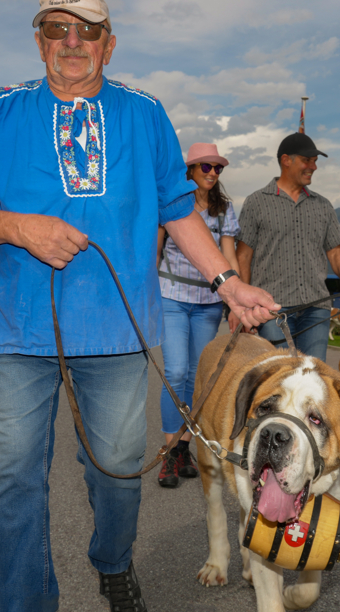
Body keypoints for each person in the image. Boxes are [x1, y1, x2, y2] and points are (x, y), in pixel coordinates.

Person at [0, 0, 278, 612]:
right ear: (39, 42)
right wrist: (18, 227)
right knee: (14, 478)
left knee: (116, 471)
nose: (72, 41)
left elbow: (178, 208)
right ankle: (23, 602)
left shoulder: (145, 113)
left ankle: (114, 562)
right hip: (19, 327)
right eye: (56, 28)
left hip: (117, 329)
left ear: (108, 45)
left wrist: (228, 284)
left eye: (87, 30)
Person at [236, 131, 340, 361]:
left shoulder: (323, 205)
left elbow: (334, 250)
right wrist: (243, 306)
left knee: (313, 375)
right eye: (307, 160)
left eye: (315, 162)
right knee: (279, 375)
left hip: (316, 307)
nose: (313, 167)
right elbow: (243, 258)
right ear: (286, 160)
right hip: (271, 309)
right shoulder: (256, 202)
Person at [155, 142, 240, 489]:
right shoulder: (173, 203)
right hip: (172, 297)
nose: (212, 173)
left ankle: (183, 448)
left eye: (218, 167)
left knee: (196, 377)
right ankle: (169, 450)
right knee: (175, 372)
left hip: (208, 303)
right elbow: (156, 250)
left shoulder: (224, 210)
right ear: (189, 170)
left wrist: (236, 300)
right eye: (205, 166)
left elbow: (229, 258)